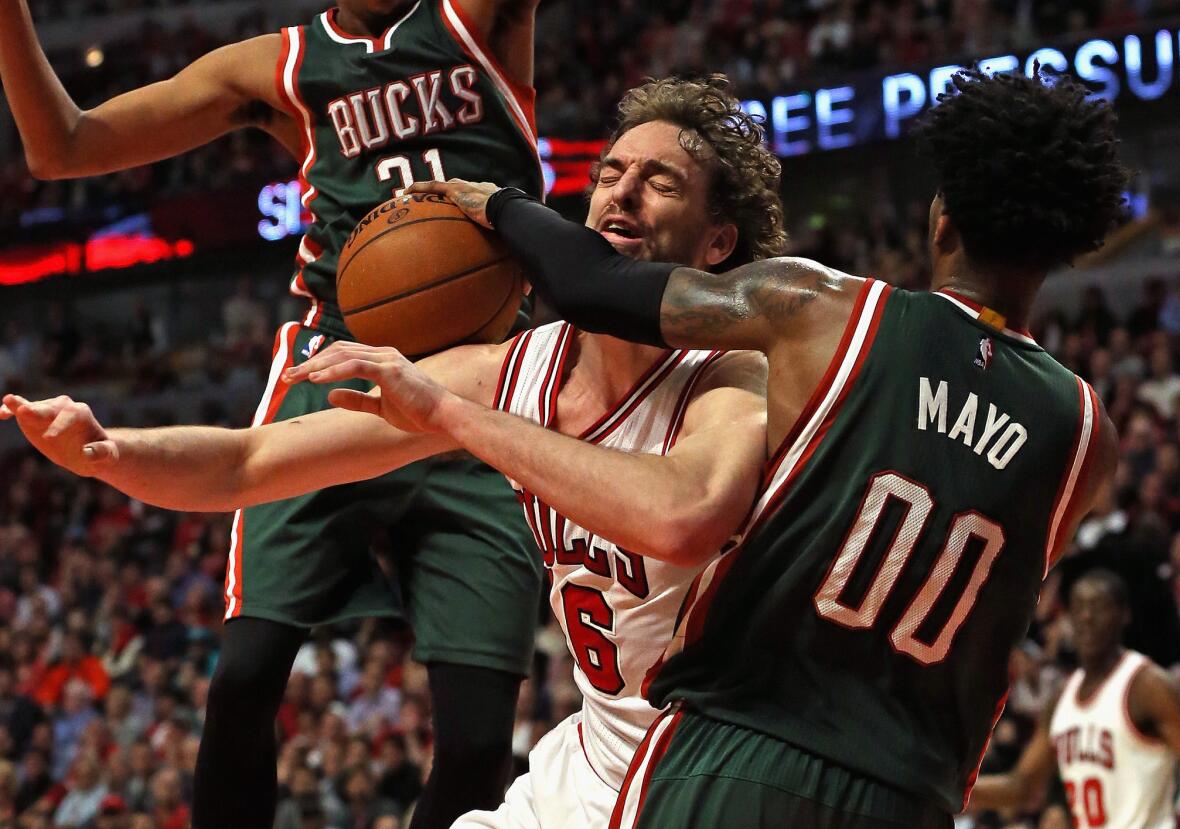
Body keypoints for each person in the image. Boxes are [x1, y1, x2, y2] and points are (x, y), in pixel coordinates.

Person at [1, 77, 782, 829]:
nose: (623, 191)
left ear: (719, 241)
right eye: (611, 172)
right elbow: (250, 462)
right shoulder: (518, 369)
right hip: (592, 760)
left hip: (723, 758)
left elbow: (681, 515)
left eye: (661, 181)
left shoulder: (738, 374)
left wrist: (450, 414)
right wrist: (108, 449)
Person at [410, 67, 1128, 826]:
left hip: (739, 749)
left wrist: (498, 203)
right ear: (1060, 250)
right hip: (911, 794)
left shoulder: (826, 310)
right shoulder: (1085, 434)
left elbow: (592, 285)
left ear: (939, 220)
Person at [0, 0, 545, 827]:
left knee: (477, 749)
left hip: (488, 381)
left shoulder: (475, 19)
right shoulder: (279, 65)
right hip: (333, 370)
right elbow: (61, 145)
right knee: (246, 675)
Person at [972, 569, 1180, 828]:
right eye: (1078, 607)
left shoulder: (1149, 687)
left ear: (1124, 614)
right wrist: (953, 789)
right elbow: (1021, 786)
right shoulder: (1061, 698)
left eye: (1099, 607)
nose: (1087, 616)